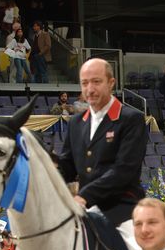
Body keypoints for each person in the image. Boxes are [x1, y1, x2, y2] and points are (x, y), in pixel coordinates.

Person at [58, 58, 149, 229]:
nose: (89, 89)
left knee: (135, 248)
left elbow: (124, 170)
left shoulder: (131, 119)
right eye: (84, 83)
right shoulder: (75, 123)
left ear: (111, 83)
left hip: (123, 208)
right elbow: (67, 167)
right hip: (83, 208)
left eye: (96, 82)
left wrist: (85, 196)